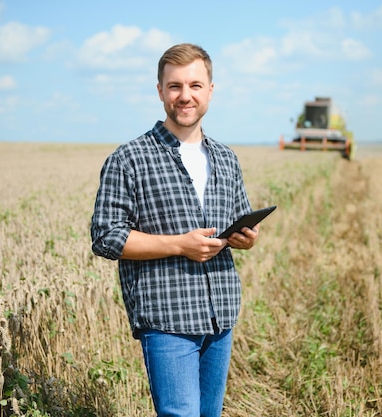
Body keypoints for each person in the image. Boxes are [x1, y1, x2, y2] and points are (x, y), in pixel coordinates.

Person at [90, 43, 259, 417]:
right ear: (160, 91)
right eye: (175, 86)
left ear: (210, 90)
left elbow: (240, 219)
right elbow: (106, 237)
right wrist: (180, 245)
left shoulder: (226, 158)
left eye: (195, 86)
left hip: (220, 315)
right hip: (168, 319)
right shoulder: (129, 158)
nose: (185, 96)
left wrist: (245, 238)